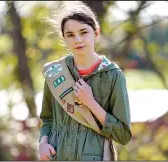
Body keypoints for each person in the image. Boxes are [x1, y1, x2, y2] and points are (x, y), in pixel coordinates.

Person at [38, 1, 132, 161]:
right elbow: (48, 118)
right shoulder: (55, 73)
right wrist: (43, 142)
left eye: (83, 32)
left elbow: (123, 135)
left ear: (96, 34)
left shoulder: (113, 75)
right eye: (70, 35)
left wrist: (91, 103)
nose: (78, 39)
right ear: (64, 38)